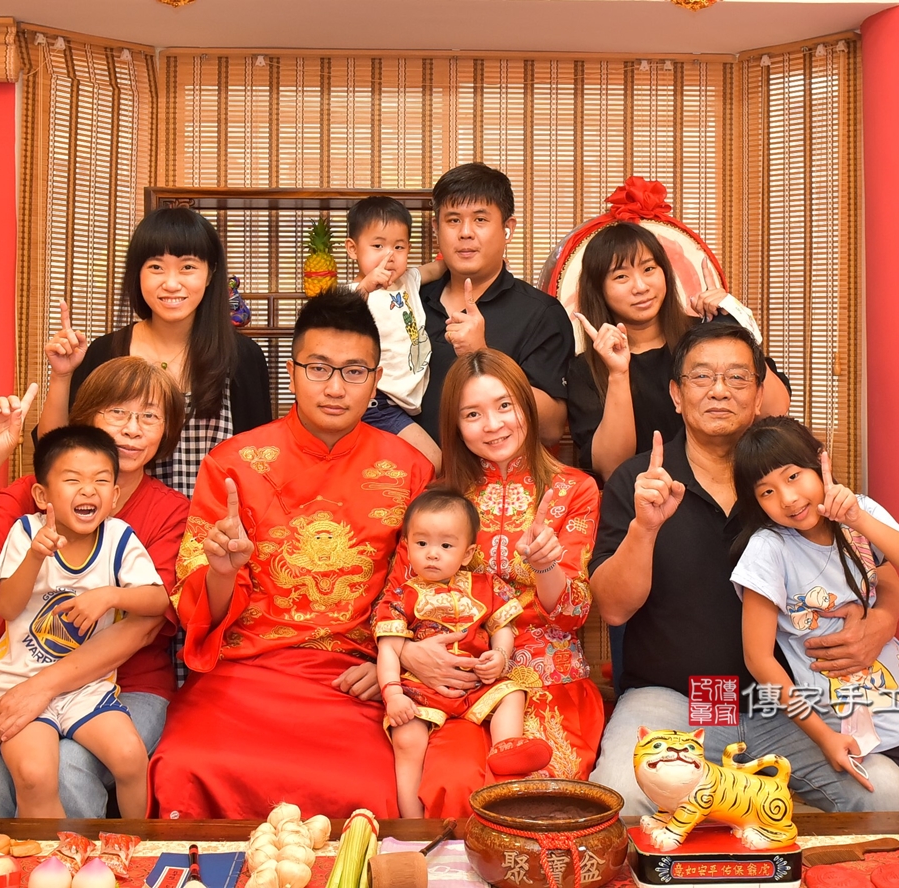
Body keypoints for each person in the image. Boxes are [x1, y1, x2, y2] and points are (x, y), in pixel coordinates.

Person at [587, 322, 899, 815]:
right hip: (675, 700)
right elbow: (614, 610)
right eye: (702, 377)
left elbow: (881, 573)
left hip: (791, 706)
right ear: (677, 394)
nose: (719, 390)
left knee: (889, 794)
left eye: (737, 377)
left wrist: (883, 621)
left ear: (759, 395)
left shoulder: (792, 486)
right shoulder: (640, 481)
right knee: (622, 794)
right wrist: (645, 527)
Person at [148, 287, 435, 819]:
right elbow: (195, 610)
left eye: (354, 372)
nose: (335, 387)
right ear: (292, 372)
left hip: (356, 675)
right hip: (246, 673)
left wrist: (392, 666)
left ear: (376, 379)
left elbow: (430, 587)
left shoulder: (410, 469)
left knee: (378, 784)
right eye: (319, 368)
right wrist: (221, 572)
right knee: (182, 764)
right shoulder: (233, 464)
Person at [0, 358, 189, 817]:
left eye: (150, 416)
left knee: (69, 771)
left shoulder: (168, 511)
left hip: (127, 684)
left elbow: (145, 623)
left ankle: (96, 857)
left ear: (166, 430)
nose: (132, 429)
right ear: (86, 416)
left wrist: (43, 689)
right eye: (117, 412)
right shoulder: (35, 495)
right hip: (24, 671)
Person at [731, 417, 899, 814]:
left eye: (793, 476)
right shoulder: (768, 549)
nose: (787, 498)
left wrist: (856, 518)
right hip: (844, 717)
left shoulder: (860, 512)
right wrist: (823, 737)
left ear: (819, 462)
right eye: (767, 492)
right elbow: (758, 658)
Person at [399, 348, 603, 818]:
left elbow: (572, 614)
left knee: (535, 799)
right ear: (454, 425)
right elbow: (398, 594)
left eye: (504, 405)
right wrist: (406, 654)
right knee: (454, 784)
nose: (493, 425)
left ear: (526, 407)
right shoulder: (438, 496)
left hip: (550, 679)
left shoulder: (574, 489)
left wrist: (546, 565)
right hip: (460, 683)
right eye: (473, 414)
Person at [0, 425, 165, 817]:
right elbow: (7, 608)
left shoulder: (118, 538)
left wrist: (111, 595)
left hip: (85, 686)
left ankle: (135, 847)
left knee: (130, 755)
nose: (88, 491)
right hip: (21, 681)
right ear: (42, 495)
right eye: (72, 480)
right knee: (35, 776)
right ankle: (52, 855)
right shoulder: (26, 532)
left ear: (115, 496)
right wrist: (35, 557)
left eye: (101, 480)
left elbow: (157, 600)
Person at [37, 206, 271, 496]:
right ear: (138, 273)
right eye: (156, 267)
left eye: (187, 267)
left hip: (218, 522)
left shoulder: (243, 358)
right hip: (122, 521)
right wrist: (62, 376)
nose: (171, 284)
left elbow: (261, 463)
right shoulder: (106, 352)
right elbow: (54, 451)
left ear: (210, 274)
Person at [568, 222, 790, 481]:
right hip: (643, 494)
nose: (640, 286)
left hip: (728, 486)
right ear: (599, 289)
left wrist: (737, 328)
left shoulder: (704, 336)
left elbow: (774, 412)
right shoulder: (587, 369)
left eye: (649, 269)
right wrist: (618, 373)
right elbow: (612, 468)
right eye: (621, 277)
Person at [376, 489, 550, 818]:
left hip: (477, 684)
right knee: (407, 740)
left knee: (512, 693)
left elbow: (502, 628)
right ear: (407, 546)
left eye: (446, 546)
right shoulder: (400, 596)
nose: (432, 554)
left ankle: (506, 749)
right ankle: (412, 823)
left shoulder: (487, 586)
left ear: (468, 553)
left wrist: (500, 657)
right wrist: (393, 694)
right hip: (420, 690)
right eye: (421, 543)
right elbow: (389, 648)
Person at [416, 163, 574, 449]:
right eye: (453, 220)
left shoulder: (540, 313)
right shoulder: (408, 301)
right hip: (406, 472)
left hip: (497, 473)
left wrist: (481, 354)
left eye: (480, 219)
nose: (465, 232)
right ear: (436, 228)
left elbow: (551, 429)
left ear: (507, 229)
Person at [345, 196, 446, 468]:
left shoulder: (408, 280)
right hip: (377, 404)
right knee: (434, 462)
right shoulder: (354, 293)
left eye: (399, 247)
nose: (390, 256)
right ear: (353, 249)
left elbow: (438, 268)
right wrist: (367, 287)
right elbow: (340, 321)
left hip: (405, 402)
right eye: (378, 246)